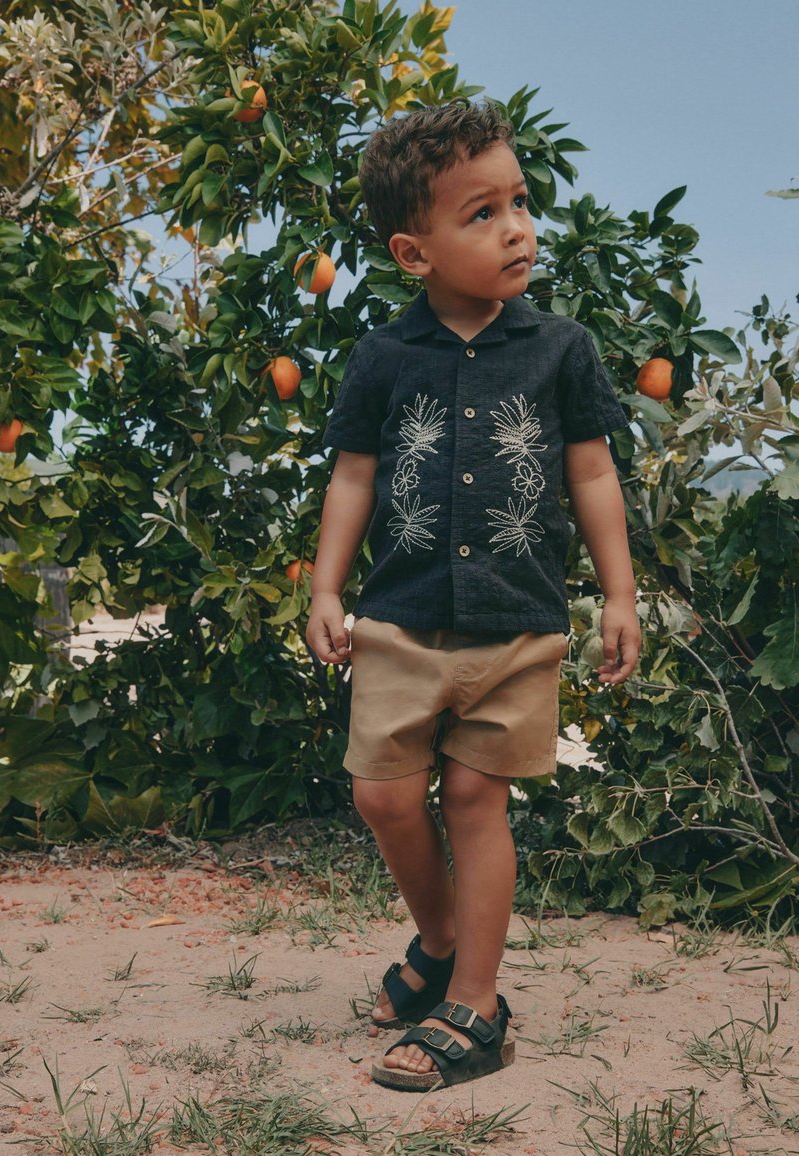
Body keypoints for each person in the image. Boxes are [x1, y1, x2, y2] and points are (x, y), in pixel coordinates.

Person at [305, 100, 641, 1092]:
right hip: (400, 616)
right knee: (381, 794)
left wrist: (617, 594)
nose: (516, 229)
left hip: (514, 621)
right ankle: (445, 938)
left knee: (472, 798)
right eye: (483, 213)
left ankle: (476, 1005)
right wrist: (325, 586)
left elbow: (592, 472)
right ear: (414, 252)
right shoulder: (383, 356)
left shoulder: (560, 348)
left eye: (519, 202)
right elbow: (353, 476)